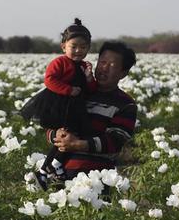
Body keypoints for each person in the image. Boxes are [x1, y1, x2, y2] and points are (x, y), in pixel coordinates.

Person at [20, 18, 97, 189]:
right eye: (74, 47)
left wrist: (89, 78)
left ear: (88, 48)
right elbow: (49, 80)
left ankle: (53, 166)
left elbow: (91, 89)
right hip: (60, 105)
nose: (78, 50)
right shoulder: (59, 62)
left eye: (83, 47)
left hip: (76, 106)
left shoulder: (85, 66)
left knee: (72, 136)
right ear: (64, 47)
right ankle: (48, 168)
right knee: (65, 136)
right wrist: (69, 90)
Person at [48, 41, 137, 181]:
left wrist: (78, 144)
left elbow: (115, 141)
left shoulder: (125, 104)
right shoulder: (76, 92)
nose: (104, 68)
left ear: (123, 73)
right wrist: (57, 134)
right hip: (58, 176)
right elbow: (50, 126)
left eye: (112, 65)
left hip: (97, 182)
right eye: (102, 62)